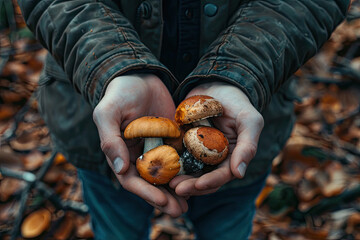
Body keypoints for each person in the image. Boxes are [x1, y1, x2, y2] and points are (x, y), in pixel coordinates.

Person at [18, 1, 349, 239]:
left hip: (241, 129)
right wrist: (114, 66)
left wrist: (241, 71)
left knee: (228, 229)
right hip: (99, 135)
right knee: (117, 229)